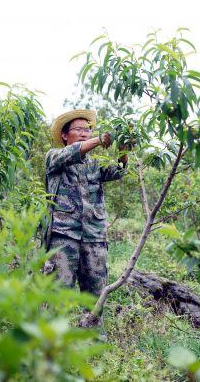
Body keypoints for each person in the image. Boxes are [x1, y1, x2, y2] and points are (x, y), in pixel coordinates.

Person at [43, 109, 128, 328]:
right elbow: (72, 153)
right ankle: (52, 347)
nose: (84, 133)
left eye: (88, 129)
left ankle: (94, 345)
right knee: (57, 295)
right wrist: (99, 140)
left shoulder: (94, 164)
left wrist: (125, 147)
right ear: (64, 135)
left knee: (95, 297)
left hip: (94, 238)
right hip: (63, 237)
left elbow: (118, 171)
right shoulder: (54, 157)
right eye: (79, 129)